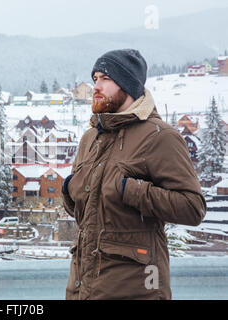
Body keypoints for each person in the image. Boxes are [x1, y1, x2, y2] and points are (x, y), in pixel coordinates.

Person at [61, 49, 206, 300]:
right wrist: (69, 190)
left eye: (105, 79)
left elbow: (192, 207)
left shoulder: (160, 137)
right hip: (82, 289)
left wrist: (132, 190)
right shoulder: (90, 138)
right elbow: (87, 210)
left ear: (127, 85)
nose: (96, 86)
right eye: (95, 78)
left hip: (136, 290)